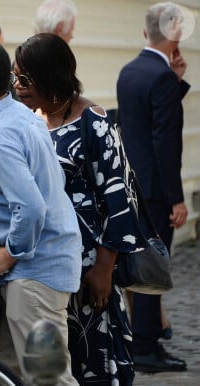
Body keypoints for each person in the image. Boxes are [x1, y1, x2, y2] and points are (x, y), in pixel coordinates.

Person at [0, 37, 82, 385]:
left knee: (49, 378)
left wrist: (10, 251)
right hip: (38, 272)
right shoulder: (16, 116)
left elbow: (33, 207)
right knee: (13, 375)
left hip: (34, 275)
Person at [14, 32, 140, 384]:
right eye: (15, 77)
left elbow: (118, 201)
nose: (18, 86)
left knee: (93, 357)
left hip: (88, 269)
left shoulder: (93, 123)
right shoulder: (31, 122)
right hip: (46, 265)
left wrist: (103, 269)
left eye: (24, 79)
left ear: (50, 77)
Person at [116, 1, 189, 373]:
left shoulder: (129, 72)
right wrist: (176, 198)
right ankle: (146, 347)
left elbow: (142, 124)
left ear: (146, 32)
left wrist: (176, 83)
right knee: (154, 267)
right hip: (157, 191)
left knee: (142, 262)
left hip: (133, 184)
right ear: (174, 32)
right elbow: (164, 142)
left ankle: (142, 339)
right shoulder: (159, 76)